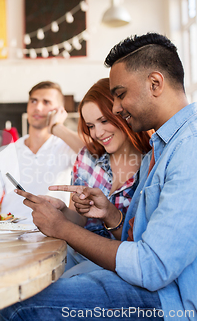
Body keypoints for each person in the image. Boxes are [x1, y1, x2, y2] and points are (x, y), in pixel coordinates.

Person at [0, 33, 197, 320]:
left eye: (120, 94)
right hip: (156, 291)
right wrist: (110, 216)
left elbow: (152, 267)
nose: (116, 107)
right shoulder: (166, 148)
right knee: (16, 291)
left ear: (155, 83)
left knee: (13, 305)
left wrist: (62, 228)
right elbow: (142, 246)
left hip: (178, 307)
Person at [63, 78, 151, 273]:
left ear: (123, 113)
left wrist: (109, 214)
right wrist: (62, 211)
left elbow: (143, 244)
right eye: (91, 126)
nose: (98, 133)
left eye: (103, 121)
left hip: (118, 263)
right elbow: (78, 219)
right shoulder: (87, 158)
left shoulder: (152, 164)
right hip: (78, 253)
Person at [0, 81, 83, 224]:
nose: (38, 107)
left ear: (60, 111)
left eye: (46, 102)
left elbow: (93, 153)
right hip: (11, 237)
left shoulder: (67, 148)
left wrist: (57, 126)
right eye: (33, 101)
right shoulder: (3, 154)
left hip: (54, 236)